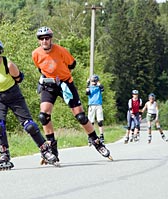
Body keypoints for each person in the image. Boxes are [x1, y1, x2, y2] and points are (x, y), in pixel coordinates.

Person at [32, 26, 112, 161]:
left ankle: (97, 142)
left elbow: (72, 64)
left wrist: (61, 75)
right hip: (49, 84)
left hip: (65, 84)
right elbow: (40, 68)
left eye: (47, 38)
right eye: (42, 39)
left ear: (51, 39)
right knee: (43, 116)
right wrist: (46, 79)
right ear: (39, 41)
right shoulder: (36, 54)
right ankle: (52, 147)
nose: (44, 41)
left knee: (80, 116)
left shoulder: (61, 51)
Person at [0, 37, 57, 170]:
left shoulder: (7, 64)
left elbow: (19, 78)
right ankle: (4, 154)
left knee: (29, 126)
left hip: (14, 95)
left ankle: (45, 150)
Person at [86, 74, 105, 144]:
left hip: (98, 105)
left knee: (100, 121)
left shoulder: (99, 87)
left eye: (95, 81)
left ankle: (101, 136)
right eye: (93, 81)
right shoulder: (89, 87)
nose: (94, 82)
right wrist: (87, 84)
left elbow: (103, 88)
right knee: (91, 122)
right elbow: (87, 92)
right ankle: (91, 137)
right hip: (91, 105)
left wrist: (99, 84)